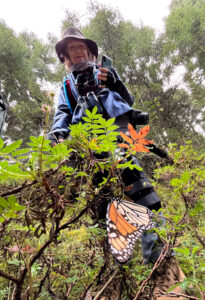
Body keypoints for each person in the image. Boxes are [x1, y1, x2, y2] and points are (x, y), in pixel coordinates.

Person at [48, 27, 185, 299]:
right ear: (65, 58)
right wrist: (57, 138)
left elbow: (127, 101)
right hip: (90, 155)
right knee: (105, 215)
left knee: (145, 204)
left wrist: (114, 82)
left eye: (82, 49)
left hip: (120, 146)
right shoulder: (66, 87)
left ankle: (166, 280)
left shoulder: (108, 75)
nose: (78, 54)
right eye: (71, 51)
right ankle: (113, 281)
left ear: (91, 53)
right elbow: (62, 115)